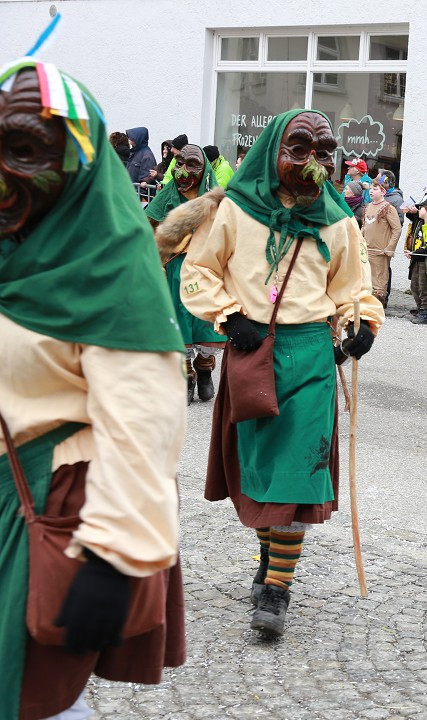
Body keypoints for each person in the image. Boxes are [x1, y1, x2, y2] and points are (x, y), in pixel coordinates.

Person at [0, 56, 186, 720]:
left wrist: (115, 556)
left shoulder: (110, 265)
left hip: (38, 505)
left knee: (29, 695)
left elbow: (146, 421)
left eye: (24, 150)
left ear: (75, 163)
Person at [181, 108, 384, 638]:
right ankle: (269, 562)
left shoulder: (338, 220)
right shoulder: (234, 212)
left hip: (311, 355)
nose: (314, 162)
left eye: (323, 151)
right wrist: (229, 316)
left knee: (297, 472)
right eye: (300, 148)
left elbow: (352, 288)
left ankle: (276, 590)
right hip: (252, 353)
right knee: (264, 471)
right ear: (273, 150)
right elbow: (197, 271)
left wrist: (360, 322)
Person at [145, 144, 226, 404]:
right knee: (179, 324)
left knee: (206, 323)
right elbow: (147, 228)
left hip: (208, 271)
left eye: (192, 165)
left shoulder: (218, 201)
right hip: (175, 271)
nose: (182, 171)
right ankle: (186, 375)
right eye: (178, 164)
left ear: (205, 171)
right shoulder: (167, 194)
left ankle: (204, 369)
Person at [360, 174, 402, 307]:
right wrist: (359, 242)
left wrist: (390, 247)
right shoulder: (367, 207)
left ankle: (378, 305)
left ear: (383, 191)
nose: (371, 190)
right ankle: (365, 303)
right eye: (371, 188)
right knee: (366, 278)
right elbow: (364, 226)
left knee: (379, 280)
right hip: (366, 249)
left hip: (380, 251)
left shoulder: (388, 208)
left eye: (375, 188)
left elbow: (397, 229)